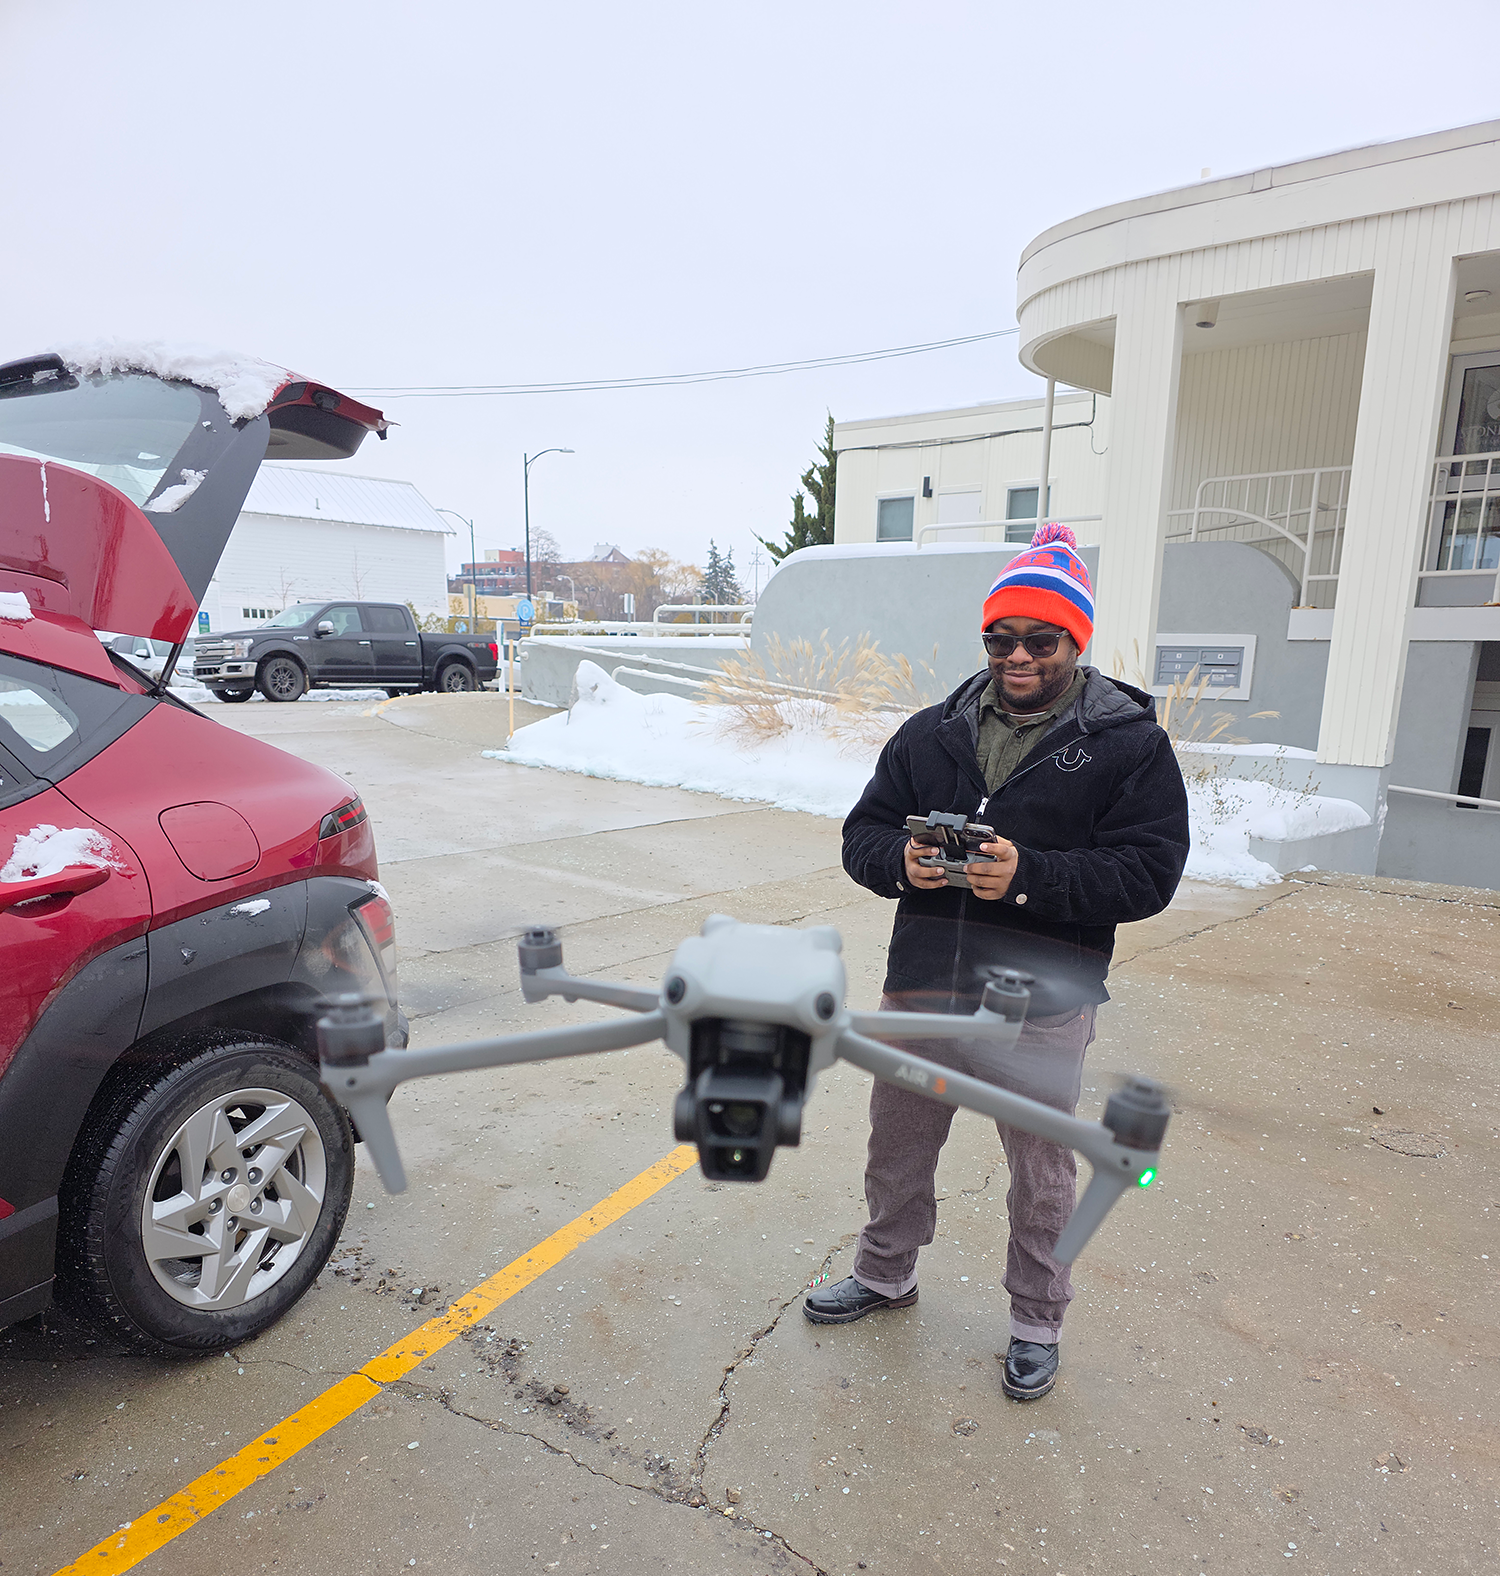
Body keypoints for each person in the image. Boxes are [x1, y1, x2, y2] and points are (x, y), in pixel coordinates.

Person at [803, 524, 1189, 1401]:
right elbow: (861, 834)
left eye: (1039, 639)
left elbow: (1150, 872)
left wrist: (1030, 877)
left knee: (1043, 1174)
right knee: (895, 1146)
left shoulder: (1129, 745)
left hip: (1041, 1002)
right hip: (923, 987)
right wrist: (897, 863)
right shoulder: (929, 732)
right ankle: (885, 1273)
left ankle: (1034, 1321)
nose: (1018, 655)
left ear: (1075, 641)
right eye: (1000, 636)